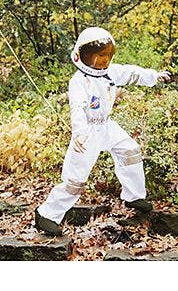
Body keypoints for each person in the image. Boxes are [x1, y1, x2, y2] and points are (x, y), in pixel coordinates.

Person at [35, 26, 170, 236]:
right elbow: (77, 108)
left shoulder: (110, 72)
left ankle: (134, 196)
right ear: (84, 56)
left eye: (108, 56)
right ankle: (47, 215)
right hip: (87, 132)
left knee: (129, 150)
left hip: (106, 125)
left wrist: (154, 77)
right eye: (99, 56)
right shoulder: (79, 81)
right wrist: (79, 132)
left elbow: (132, 73)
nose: (104, 60)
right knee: (75, 179)